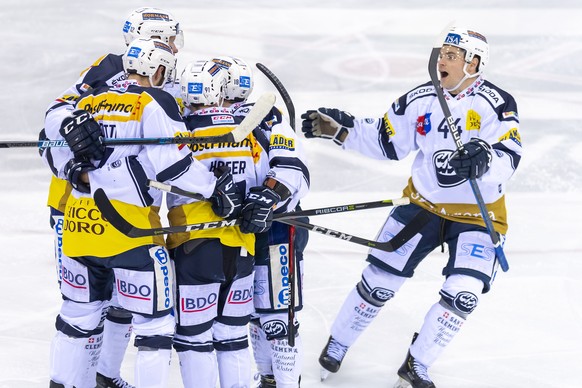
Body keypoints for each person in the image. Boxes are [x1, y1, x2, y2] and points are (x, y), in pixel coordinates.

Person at [301, 26, 522, 388]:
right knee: (377, 284)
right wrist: (340, 131)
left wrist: (486, 159)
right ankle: (338, 343)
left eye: (453, 55)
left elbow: (510, 154)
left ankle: (416, 364)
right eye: (443, 53)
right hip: (424, 204)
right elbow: (387, 141)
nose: (443, 60)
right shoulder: (422, 98)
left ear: (475, 63)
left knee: (464, 294)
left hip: (478, 217)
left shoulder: (497, 103)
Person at [48, 38, 241, 388]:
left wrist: (79, 173)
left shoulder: (88, 101)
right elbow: (175, 165)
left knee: (77, 317)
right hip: (130, 228)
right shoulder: (154, 101)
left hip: (79, 226)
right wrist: (216, 189)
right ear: (159, 69)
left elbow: (55, 147)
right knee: (155, 328)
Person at [40, 7, 184, 388]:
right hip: (78, 203)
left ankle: (103, 375)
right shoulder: (107, 70)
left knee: (113, 306)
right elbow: (55, 116)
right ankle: (84, 379)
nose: (173, 45)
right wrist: (70, 127)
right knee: (91, 306)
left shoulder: (166, 77)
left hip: (114, 207)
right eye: (168, 38)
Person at [215, 56, 310, 388]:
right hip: (231, 233)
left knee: (278, 318)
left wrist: (268, 196)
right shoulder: (203, 119)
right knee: (252, 314)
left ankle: (285, 382)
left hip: (276, 229)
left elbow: (291, 166)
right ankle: (267, 378)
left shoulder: (265, 118)